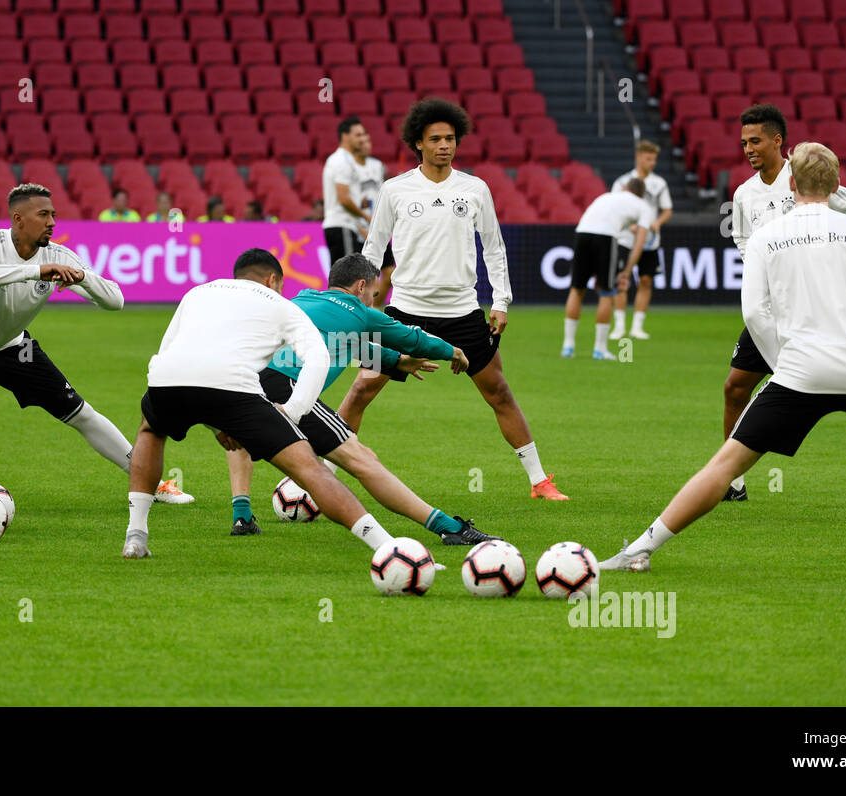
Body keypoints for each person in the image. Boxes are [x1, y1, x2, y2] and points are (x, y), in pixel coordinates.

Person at [601, 142, 846, 575]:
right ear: (836, 184)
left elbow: (754, 312)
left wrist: (781, 360)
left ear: (792, 183)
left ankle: (641, 548)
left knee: (726, 464)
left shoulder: (768, 235)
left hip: (798, 373)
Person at [335, 98, 568, 501]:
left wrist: (501, 301)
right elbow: (373, 250)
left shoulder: (475, 189)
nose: (445, 145)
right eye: (436, 139)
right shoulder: (395, 190)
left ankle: (539, 481)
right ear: (418, 144)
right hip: (404, 312)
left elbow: (494, 248)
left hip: (463, 311)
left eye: (450, 138)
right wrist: (361, 300)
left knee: (499, 393)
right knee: (360, 389)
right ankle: (321, 472)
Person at [0, 184, 192, 510]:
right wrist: (36, 271)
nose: (52, 222)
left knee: (80, 413)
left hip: (14, 346)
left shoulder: (59, 255)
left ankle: (150, 482)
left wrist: (83, 278)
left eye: (53, 214)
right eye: (43, 214)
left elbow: (115, 300)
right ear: (18, 219)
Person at [123, 249, 399, 559]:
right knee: (310, 469)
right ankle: (385, 546)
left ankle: (136, 534)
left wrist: (217, 424)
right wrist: (293, 412)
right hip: (234, 388)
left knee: (151, 429)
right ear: (273, 280)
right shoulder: (281, 305)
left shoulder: (197, 292)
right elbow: (318, 357)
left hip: (166, 379)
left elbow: (171, 349)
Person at [225, 253, 495, 547]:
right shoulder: (360, 313)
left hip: (248, 378)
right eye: (374, 294)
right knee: (362, 460)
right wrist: (453, 352)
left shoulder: (301, 300)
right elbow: (413, 339)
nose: (373, 300)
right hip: (288, 386)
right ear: (360, 286)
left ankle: (242, 515)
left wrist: (395, 362)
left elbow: (342, 342)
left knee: (240, 435)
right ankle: (449, 528)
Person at [723, 103, 846, 501]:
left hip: (813, 302)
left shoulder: (806, 174)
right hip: (771, 303)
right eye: (743, 143)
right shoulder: (743, 194)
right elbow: (741, 239)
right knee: (736, 388)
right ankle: (731, 483)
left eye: (755, 141)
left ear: (777, 140)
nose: (748, 149)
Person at [562, 180, 653, 360]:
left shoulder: (606, 196)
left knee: (576, 289)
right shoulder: (643, 206)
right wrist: (626, 271)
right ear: (641, 194)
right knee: (606, 292)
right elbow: (639, 244)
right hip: (606, 236)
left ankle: (568, 346)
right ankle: (600, 349)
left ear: (626, 188)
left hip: (582, 232)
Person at [610, 140, 673, 340]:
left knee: (646, 281)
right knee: (621, 280)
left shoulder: (659, 183)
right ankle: (619, 326)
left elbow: (667, 210)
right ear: (638, 158)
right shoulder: (622, 182)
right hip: (625, 239)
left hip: (649, 241)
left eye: (654, 159)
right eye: (648, 158)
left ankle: (637, 326)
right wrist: (631, 225)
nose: (652, 162)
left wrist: (656, 223)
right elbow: (614, 208)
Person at [352, 129, 397, 309]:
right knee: (361, 278)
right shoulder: (347, 170)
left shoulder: (377, 166)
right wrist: (357, 227)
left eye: (368, 141)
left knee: (390, 273)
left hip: (377, 227)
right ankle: (357, 311)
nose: (366, 145)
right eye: (361, 141)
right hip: (358, 230)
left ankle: (374, 310)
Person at [322, 116, 370, 262]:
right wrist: (366, 217)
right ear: (345, 136)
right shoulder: (342, 161)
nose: (362, 139)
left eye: (363, 134)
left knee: (343, 276)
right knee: (347, 278)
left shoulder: (344, 159)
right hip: (342, 225)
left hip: (343, 226)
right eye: (358, 135)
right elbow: (343, 198)